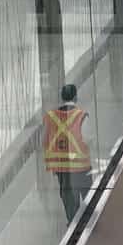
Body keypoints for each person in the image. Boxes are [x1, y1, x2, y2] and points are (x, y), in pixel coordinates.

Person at [44, 83, 91, 220]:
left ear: (62, 98)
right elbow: (88, 138)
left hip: (61, 169)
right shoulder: (81, 115)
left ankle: (72, 225)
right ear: (75, 97)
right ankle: (89, 225)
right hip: (81, 167)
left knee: (70, 202)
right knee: (89, 199)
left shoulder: (51, 117)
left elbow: (45, 140)